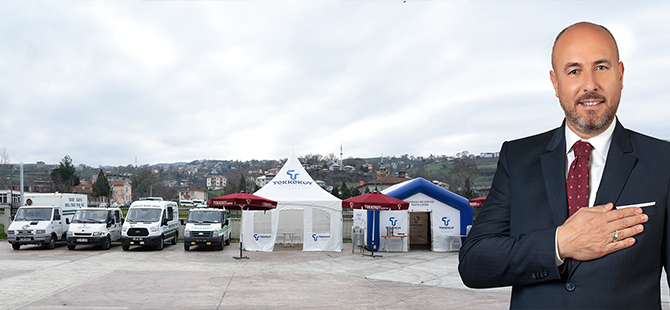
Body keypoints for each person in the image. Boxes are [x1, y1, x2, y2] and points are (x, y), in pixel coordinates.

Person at [458, 21, 670, 309]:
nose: (590, 85)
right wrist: (559, 243)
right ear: (556, 83)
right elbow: (474, 263)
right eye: (574, 71)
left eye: (602, 67)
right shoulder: (517, 158)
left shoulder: (663, 161)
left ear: (620, 74)